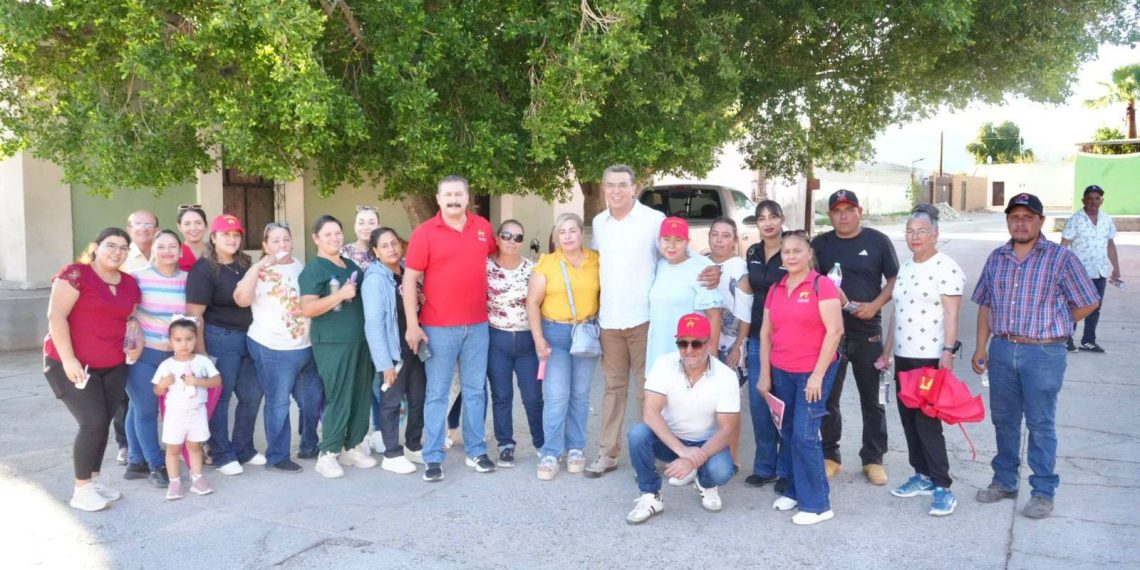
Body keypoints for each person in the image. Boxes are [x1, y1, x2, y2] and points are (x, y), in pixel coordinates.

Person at [971, 192, 1100, 519]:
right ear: (1008, 221)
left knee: (1041, 424)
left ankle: (1043, 492)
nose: (1021, 222)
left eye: (1028, 217)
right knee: (1004, 419)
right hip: (1002, 349)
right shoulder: (997, 257)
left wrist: (1060, 322)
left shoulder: (1060, 258)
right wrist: (980, 347)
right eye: (1015, 217)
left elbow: (1089, 300)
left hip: (1044, 352)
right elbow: (985, 303)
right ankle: (1004, 481)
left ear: (1041, 222)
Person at [587, 165, 719, 478]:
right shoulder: (599, 223)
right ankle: (608, 453)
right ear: (604, 188)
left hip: (644, 319)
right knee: (613, 388)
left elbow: (678, 253)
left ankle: (652, 453)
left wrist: (715, 269)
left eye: (622, 185)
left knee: (649, 390)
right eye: (609, 185)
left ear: (634, 188)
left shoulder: (652, 220)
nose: (615, 191)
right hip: (610, 321)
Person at [403, 175, 498, 482]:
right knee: (437, 394)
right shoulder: (424, 233)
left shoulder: (483, 228)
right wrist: (412, 326)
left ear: (467, 198)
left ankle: (476, 451)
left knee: (474, 391)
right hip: (438, 327)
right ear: (438, 198)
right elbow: (409, 280)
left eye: (459, 194)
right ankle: (432, 456)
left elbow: (497, 257)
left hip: (477, 326)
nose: (454, 199)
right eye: (448, 194)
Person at [43, 228, 142, 512]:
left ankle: (94, 480)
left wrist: (136, 341)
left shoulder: (129, 283)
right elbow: (56, 316)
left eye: (124, 247)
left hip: (113, 365)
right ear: (96, 247)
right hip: (70, 364)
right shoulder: (75, 275)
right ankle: (81, 488)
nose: (117, 252)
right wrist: (70, 359)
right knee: (92, 422)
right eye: (111, 245)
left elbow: (131, 318)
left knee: (104, 421)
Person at [877, 205, 965, 516]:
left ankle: (943, 486)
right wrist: (886, 352)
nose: (915, 237)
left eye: (922, 231)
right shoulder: (905, 268)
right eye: (910, 231)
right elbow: (896, 313)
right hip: (903, 357)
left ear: (936, 234)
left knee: (927, 422)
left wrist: (948, 351)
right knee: (908, 419)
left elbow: (953, 313)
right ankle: (922, 475)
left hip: (930, 358)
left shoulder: (947, 268)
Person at [811, 189, 899, 485]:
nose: (843, 215)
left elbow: (894, 280)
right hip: (829, 335)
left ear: (860, 211)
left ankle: (873, 459)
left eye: (849, 209)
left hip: (867, 335)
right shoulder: (820, 245)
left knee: (873, 401)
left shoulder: (877, 241)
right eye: (837, 210)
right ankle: (830, 455)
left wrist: (875, 305)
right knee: (827, 399)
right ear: (830, 214)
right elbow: (809, 279)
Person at [759, 230, 844, 525]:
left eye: (797, 251)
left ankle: (818, 504)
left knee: (806, 437)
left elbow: (835, 332)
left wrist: (817, 376)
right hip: (782, 371)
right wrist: (765, 374)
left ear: (809, 254)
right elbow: (766, 333)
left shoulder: (823, 286)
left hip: (813, 372)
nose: (791, 256)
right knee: (790, 434)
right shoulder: (776, 289)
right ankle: (794, 491)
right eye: (786, 252)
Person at [625, 313, 739, 525]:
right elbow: (650, 412)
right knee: (637, 434)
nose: (688, 350)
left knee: (722, 471)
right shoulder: (663, 364)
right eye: (682, 343)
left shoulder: (726, 376)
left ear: (709, 343)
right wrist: (683, 452)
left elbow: (726, 430)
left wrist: (692, 458)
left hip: (707, 442)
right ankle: (651, 495)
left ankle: (704, 482)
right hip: (670, 440)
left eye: (696, 344)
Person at [235, 222, 323, 473]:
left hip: (305, 346)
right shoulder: (258, 270)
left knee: (310, 399)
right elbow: (241, 300)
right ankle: (277, 455)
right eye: (275, 240)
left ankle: (308, 445)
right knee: (278, 402)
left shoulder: (299, 266)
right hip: (272, 347)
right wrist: (257, 267)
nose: (282, 245)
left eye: (286, 239)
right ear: (265, 245)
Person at [185, 214, 266, 476]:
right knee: (221, 397)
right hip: (221, 338)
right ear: (214, 237)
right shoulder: (204, 269)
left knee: (252, 395)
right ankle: (222, 452)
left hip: (250, 338)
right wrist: (201, 350)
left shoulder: (245, 264)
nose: (232, 239)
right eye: (226, 234)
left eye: (236, 234)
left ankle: (244, 448)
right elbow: (194, 314)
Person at [300, 215, 377, 478]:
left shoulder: (350, 265)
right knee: (339, 395)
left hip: (360, 340)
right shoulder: (314, 269)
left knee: (360, 394)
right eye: (328, 234)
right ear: (316, 238)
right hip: (333, 342)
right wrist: (339, 295)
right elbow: (308, 308)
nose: (334, 238)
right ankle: (328, 453)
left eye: (337, 233)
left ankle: (352, 445)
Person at [527, 213, 600, 480]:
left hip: (585, 333)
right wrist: (538, 339)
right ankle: (551, 451)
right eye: (562, 232)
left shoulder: (596, 261)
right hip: (554, 333)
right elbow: (532, 302)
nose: (568, 236)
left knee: (580, 395)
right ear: (556, 237)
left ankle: (576, 447)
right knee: (557, 396)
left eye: (572, 231)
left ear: (581, 234)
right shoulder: (547, 263)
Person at [728, 200, 788, 490]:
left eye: (773, 217)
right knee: (759, 403)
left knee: (785, 403)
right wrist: (740, 340)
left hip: (787, 337)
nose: (768, 223)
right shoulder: (752, 251)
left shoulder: (792, 249)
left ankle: (787, 469)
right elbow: (746, 293)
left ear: (781, 219)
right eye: (762, 218)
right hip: (756, 337)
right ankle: (765, 467)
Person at [123, 230, 186, 488]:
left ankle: (135, 461)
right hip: (143, 353)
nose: (167, 251)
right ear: (152, 250)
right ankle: (155, 464)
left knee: (138, 408)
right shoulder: (138, 278)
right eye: (161, 246)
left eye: (173, 246)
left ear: (181, 251)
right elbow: (126, 313)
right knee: (145, 410)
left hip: (172, 356)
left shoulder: (187, 280)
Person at [362, 227, 427, 474]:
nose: (392, 249)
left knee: (418, 397)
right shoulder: (375, 279)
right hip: (392, 351)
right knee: (391, 401)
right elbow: (374, 324)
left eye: (395, 243)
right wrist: (384, 364)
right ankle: (392, 453)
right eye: (385, 246)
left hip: (414, 347)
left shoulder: (405, 273)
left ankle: (413, 444)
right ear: (376, 252)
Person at [486, 219, 542, 468]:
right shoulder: (484, 266)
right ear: (498, 238)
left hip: (527, 340)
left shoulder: (533, 269)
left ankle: (542, 444)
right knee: (501, 396)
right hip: (496, 338)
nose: (512, 241)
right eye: (507, 235)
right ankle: (505, 445)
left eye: (518, 237)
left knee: (533, 397)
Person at [646, 217, 723, 380]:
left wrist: (711, 353)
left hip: (690, 354)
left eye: (678, 240)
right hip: (659, 354)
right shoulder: (658, 266)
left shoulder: (701, 270)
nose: (672, 246)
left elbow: (714, 315)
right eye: (666, 239)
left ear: (687, 242)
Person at [153, 317, 221, 500]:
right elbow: (157, 390)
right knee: (173, 449)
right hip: (175, 415)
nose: (184, 344)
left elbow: (217, 381)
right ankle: (175, 483)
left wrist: (198, 381)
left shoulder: (202, 361)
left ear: (196, 339)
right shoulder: (166, 365)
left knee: (194, 446)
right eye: (178, 340)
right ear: (171, 341)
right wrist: (164, 384)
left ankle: (197, 479)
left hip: (197, 412)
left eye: (189, 339)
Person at [114, 209, 159, 464]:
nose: (143, 228)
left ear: (156, 229)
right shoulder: (120, 255)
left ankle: (142, 444)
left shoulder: (159, 254)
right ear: (129, 228)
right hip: (122, 332)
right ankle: (125, 444)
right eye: (138, 224)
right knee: (123, 394)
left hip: (151, 334)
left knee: (143, 396)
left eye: (149, 224)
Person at [1061, 184, 1121, 353]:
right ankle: (1066, 339)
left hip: (1100, 271)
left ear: (1102, 201)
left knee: (1095, 306)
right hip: (1078, 273)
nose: (1093, 202)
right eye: (1089, 198)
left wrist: (1116, 267)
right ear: (1083, 200)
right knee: (1074, 305)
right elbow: (1064, 245)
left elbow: (1110, 244)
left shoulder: (1106, 220)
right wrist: (1060, 268)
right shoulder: (1075, 220)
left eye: (1097, 198)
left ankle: (1088, 341)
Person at [342, 205, 381, 270]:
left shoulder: (385, 251)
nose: (366, 227)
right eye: (361, 223)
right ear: (355, 227)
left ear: (378, 227)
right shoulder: (343, 253)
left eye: (371, 223)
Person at [176, 205, 209, 272]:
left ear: (206, 225)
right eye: (187, 224)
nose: (193, 228)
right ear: (179, 227)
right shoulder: (175, 252)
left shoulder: (216, 251)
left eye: (198, 223)